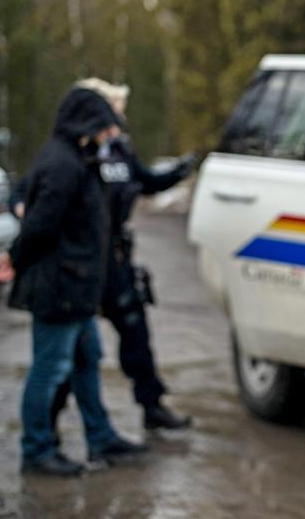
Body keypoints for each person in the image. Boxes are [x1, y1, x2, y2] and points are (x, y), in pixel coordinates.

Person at [10, 77, 196, 431]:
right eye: (111, 112)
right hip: (78, 262)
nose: (115, 123)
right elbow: (32, 198)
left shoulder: (119, 152)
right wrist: (22, 224)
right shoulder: (72, 157)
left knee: (129, 334)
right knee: (68, 350)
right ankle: (45, 431)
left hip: (112, 259)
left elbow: (146, 181)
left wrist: (179, 171)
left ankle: (147, 406)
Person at [0, 88, 148, 476]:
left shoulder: (79, 158)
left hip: (78, 290)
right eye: (104, 126)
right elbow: (40, 224)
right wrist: (14, 257)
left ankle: (101, 437)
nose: (109, 134)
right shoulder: (62, 163)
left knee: (87, 361)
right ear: (86, 123)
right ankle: (36, 449)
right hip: (59, 288)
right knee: (48, 371)